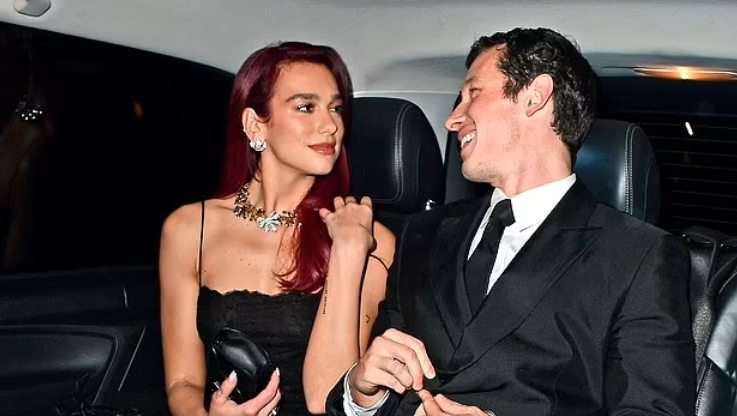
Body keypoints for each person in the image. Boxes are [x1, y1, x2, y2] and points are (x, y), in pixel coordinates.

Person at [325, 28, 695, 416]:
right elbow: (390, 382)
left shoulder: (637, 255)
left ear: (535, 97)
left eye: (473, 92)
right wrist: (363, 395)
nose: (453, 119)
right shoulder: (424, 232)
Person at [159, 41, 395, 416]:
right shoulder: (189, 228)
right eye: (306, 107)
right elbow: (183, 382)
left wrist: (347, 252)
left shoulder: (368, 238)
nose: (331, 125)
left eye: (335, 108)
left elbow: (331, 399)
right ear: (256, 124)